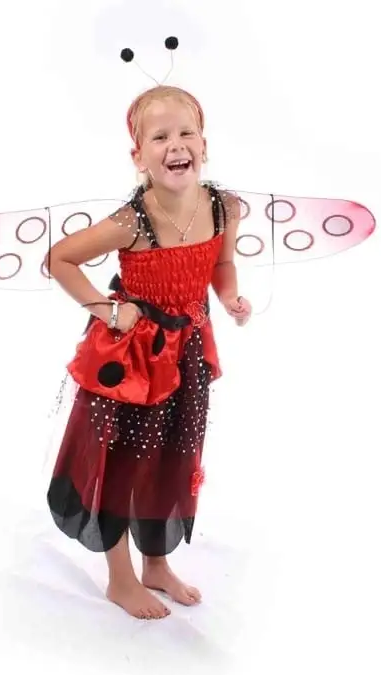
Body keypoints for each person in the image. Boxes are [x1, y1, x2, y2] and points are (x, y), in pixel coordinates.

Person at [45, 84, 252, 620]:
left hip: (186, 355)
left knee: (173, 458)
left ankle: (156, 564)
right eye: (159, 137)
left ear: (204, 145)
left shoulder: (223, 208)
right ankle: (121, 578)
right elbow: (60, 258)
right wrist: (108, 311)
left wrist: (229, 297)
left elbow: (221, 265)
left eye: (186, 133)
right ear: (139, 156)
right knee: (123, 463)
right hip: (133, 362)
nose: (175, 145)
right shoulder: (132, 221)